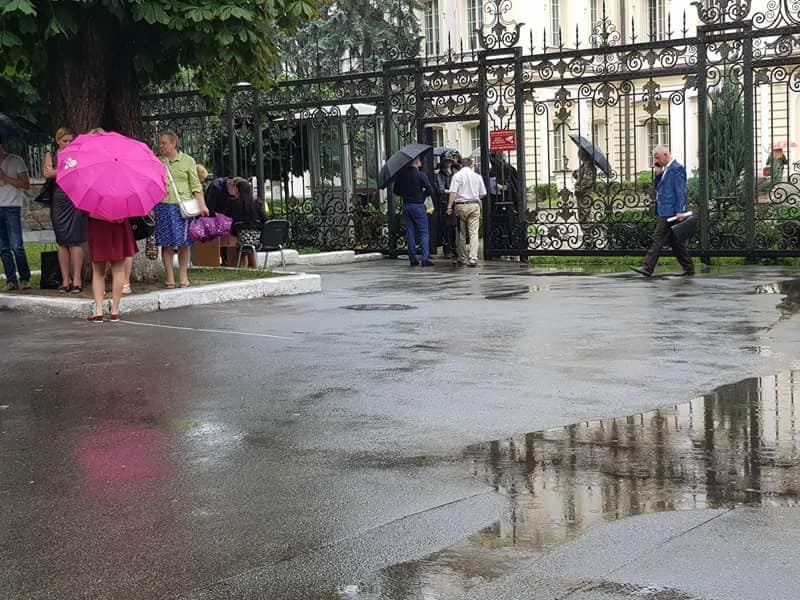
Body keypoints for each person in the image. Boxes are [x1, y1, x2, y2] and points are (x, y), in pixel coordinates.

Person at [83, 129, 137, 322]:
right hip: (119, 223)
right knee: (118, 269)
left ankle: (98, 311)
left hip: (99, 226)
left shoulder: (89, 173)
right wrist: (118, 216)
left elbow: (88, 210)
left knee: (98, 271)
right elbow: (130, 200)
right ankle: (115, 310)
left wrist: (105, 217)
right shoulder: (122, 170)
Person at [155, 131, 208, 288]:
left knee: (184, 242)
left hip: (183, 207)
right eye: (160, 143)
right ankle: (170, 277)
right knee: (166, 243)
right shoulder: (158, 162)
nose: (161, 146)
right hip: (163, 205)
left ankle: (183, 276)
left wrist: (202, 204)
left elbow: (196, 185)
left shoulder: (188, 161)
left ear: (173, 144)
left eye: (164, 143)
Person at [631, 145, 694, 277]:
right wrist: (658, 174)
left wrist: (680, 210)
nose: (656, 161)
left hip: (671, 212)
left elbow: (680, 191)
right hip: (666, 211)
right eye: (655, 158)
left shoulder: (676, 168)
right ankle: (688, 268)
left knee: (658, 238)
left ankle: (647, 267)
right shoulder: (666, 169)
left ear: (665, 154)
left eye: (657, 157)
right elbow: (658, 188)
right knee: (675, 242)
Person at [42, 127, 87, 293]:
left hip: (74, 197)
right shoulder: (52, 154)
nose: (68, 143)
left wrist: (57, 172)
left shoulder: (77, 154)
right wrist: (63, 171)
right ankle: (65, 279)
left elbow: (77, 171)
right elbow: (47, 174)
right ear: (58, 141)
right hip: (59, 199)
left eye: (70, 140)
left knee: (75, 240)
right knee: (62, 241)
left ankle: (77, 279)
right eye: (64, 140)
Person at [0, 140, 32, 291]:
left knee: (16, 245)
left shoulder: (15, 160)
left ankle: (25, 278)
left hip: (12, 206)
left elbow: (26, 184)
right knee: (3, 248)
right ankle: (11, 280)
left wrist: (5, 178)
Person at [393, 157, 435, 267]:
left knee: (410, 231)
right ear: (416, 162)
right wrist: (422, 194)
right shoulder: (420, 175)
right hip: (418, 205)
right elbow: (430, 189)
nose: (421, 162)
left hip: (406, 205)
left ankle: (412, 258)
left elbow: (396, 191)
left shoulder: (401, 176)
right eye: (419, 160)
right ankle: (425, 258)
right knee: (423, 232)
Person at [447, 156, 486, 267]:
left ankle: (462, 257)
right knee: (474, 233)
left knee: (461, 233)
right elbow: (483, 193)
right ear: (471, 164)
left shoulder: (457, 176)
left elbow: (453, 192)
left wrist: (449, 206)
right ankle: (473, 258)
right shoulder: (477, 176)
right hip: (474, 205)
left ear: (461, 165)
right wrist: (475, 197)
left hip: (460, 206)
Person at [228, 179, 265, 268]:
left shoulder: (234, 203)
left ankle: (243, 266)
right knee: (248, 246)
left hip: (242, 236)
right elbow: (264, 219)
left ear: (238, 190)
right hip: (257, 238)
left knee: (236, 241)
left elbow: (231, 220)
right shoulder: (257, 202)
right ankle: (251, 267)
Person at [572, 148, 597, 247]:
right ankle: (587, 239)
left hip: (585, 195)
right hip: (582, 195)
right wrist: (576, 174)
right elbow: (581, 177)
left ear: (584, 155)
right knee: (582, 217)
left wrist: (579, 188)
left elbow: (587, 180)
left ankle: (589, 240)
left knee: (584, 217)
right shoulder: (584, 165)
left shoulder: (589, 165)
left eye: (580, 154)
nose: (579, 156)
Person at [434, 153, 457, 258]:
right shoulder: (439, 174)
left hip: (455, 202)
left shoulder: (455, 173)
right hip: (444, 203)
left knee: (454, 227)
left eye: (449, 161)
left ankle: (454, 247)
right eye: (446, 161)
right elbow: (440, 189)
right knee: (446, 227)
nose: (448, 163)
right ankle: (447, 249)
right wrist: (452, 191)